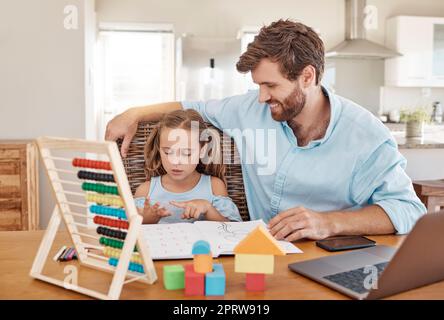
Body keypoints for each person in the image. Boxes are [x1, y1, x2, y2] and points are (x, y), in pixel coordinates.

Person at [106, 19, 426, 239]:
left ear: (308, 77)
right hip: (262, 253)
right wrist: (134, 112)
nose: (261, 97)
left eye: (270, 85)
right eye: (258, 85)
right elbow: (192, 105)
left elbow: (408, 210)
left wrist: (329, 223)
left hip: (332, 255)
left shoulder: (366, 136)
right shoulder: (250, 108)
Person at [134, 109, 242, 224]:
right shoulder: (145, 191)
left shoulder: (214, 187)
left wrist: (208, 209)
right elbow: (128, 232)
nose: (175, 161)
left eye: (187, 153)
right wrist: (146, 220)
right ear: (159, 150)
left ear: (202, 150)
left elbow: (233, 230)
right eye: (168, 152)